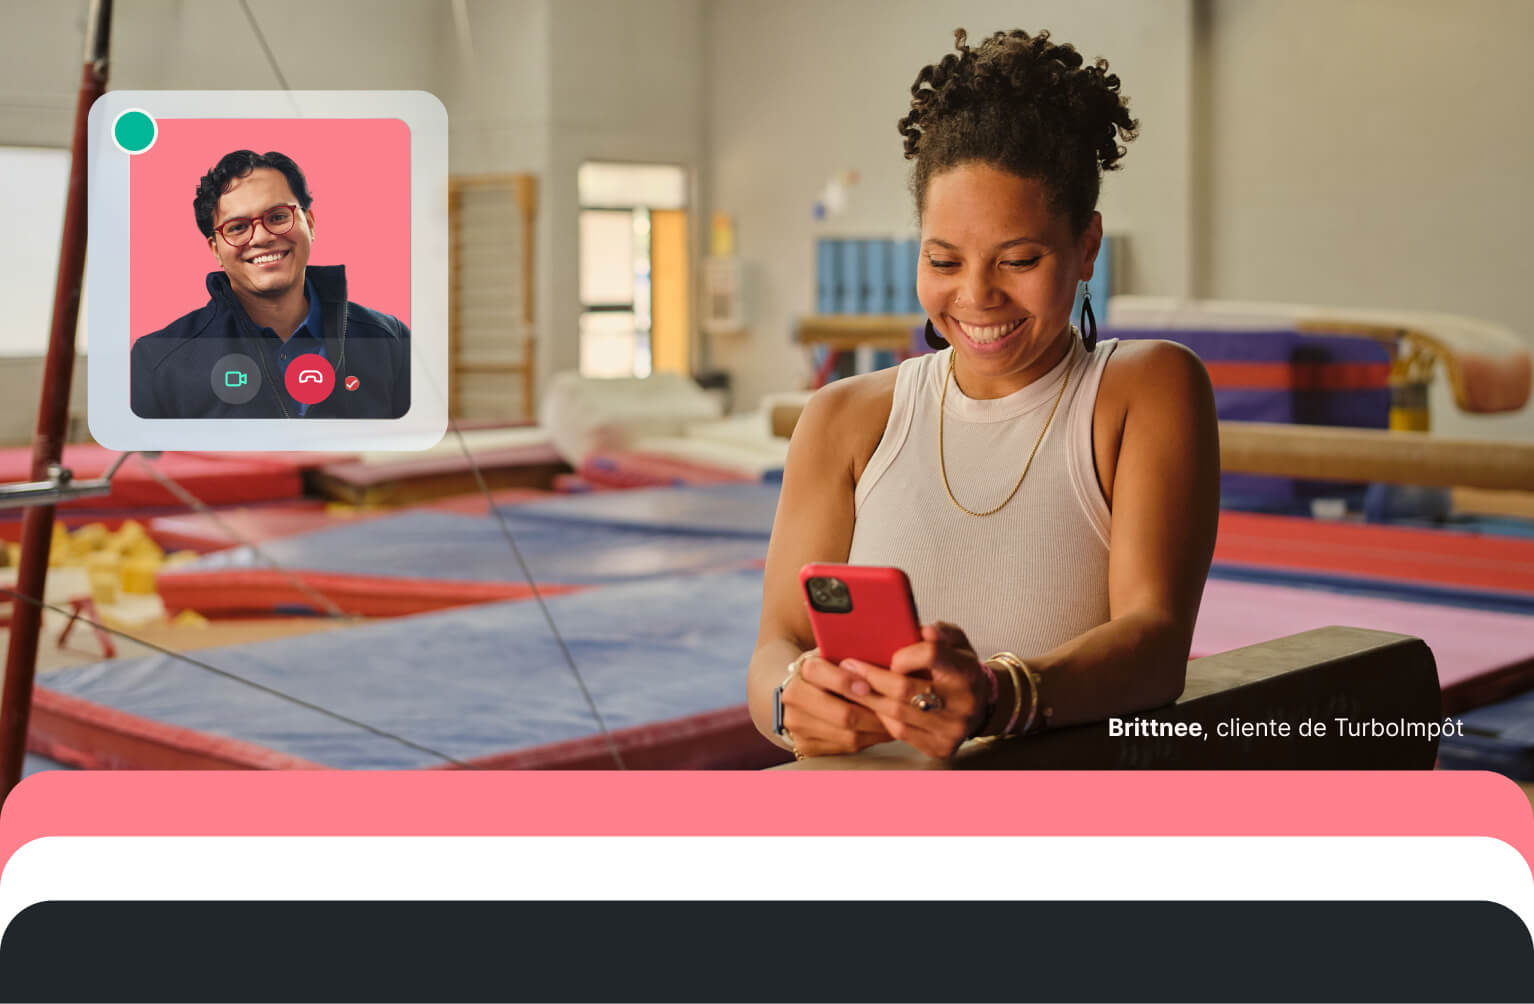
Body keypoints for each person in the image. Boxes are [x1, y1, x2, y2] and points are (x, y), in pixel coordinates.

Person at [748, 29, 1220, 761]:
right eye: (943, 259)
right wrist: (794, 700)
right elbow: (776, 644)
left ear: (1086, 246)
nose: (975, 297)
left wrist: (995, 696)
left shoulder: (1145, 390)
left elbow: (1155, 641)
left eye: (1019, 259)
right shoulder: (843, 419)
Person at [130, 149, 410, 419]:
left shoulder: (388, 341)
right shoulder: (158, 359)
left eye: (278, 217)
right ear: (215, 250)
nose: (262, 237)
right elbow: (143, 466)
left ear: (310, 223)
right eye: (237, 227)